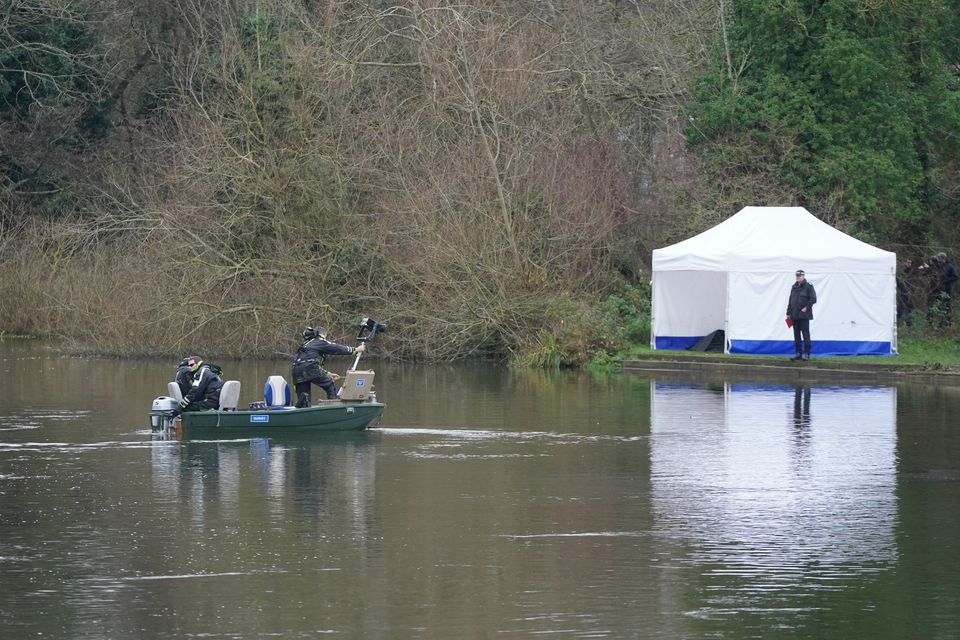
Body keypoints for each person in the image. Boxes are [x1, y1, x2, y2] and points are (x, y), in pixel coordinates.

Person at [291, 326, 365, 407]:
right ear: (322, 334)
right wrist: (355, 350)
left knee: (304, 397)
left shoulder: (306, 344)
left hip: (296, 371)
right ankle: (334, 407)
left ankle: (301, 411)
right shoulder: (319, 341)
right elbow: (336, 348)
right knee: (329, 384)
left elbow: (306, 363)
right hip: (310, 369)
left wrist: (328, 374)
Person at [786, 269, 817, 361]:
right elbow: (790, 301)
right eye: (797, 276)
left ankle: (807, 354)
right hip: (794, 315)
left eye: (799, 276)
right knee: (796, 336)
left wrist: (806, 307)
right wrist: (788, 313)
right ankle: (798, 354)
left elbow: (813, 299)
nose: (798, 278)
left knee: (805, 335)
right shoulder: (794, 287)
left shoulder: (808, 286)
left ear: (803, 276)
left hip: (804, 316)